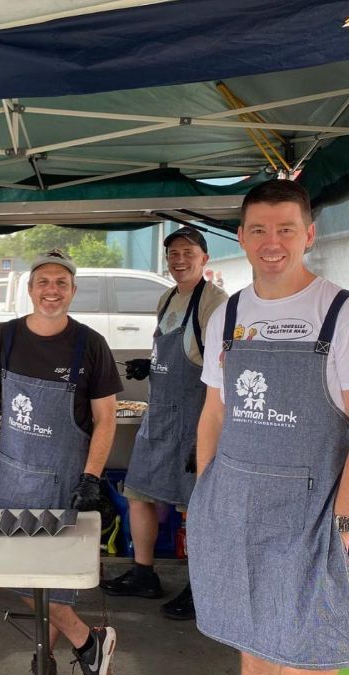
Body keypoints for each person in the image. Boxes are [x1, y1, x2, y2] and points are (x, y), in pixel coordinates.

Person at [186, 179, 349, 675]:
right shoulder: (226, 316)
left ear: (309, 235)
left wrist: (341, 526)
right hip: (235, 512)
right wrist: (207, 493)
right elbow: (215, 412)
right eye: (259, 230)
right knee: (255, 660)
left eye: (285, 230)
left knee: (309, 674)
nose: (271, 242)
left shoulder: (344, 314)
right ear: (242, 238)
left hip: (309, 521)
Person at [0, 250, 119, 675]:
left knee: (57, 580)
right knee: (19, 576)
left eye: (61, 283)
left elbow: (107, 418)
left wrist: (92, 476)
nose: (52, 290)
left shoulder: (90, 344)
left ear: (72, 290)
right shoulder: (4, 337)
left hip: (66, 481)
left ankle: (46, 659)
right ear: (30, 289)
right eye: (43, 281)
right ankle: (89, 641)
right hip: (13, 478)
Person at [102, 228, 227, 621]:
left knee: (197, 508)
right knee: (139, 493)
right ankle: (143, 573)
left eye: (188, 253)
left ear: (205, 259)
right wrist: (148, 364)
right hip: (158, 419)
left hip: (195, 422)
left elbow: (222, 375)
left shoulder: (216, 305)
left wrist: (206, 439)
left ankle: (201, 587)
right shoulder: (168, 298)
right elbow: (173, 354)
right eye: (173, 253)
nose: (179, 260)